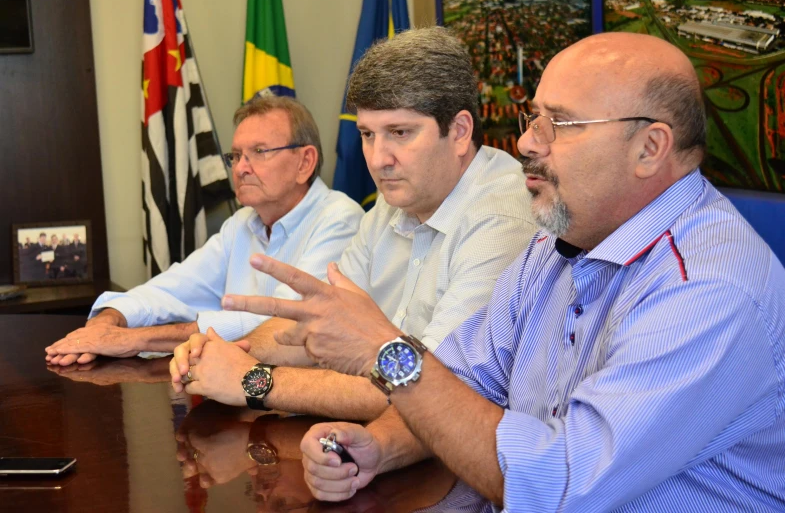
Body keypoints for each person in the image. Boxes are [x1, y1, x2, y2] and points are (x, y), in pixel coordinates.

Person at [217, 33, 785, 510]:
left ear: (649, 148)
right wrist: (375, 447)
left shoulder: (706, 288)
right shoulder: (558, 243)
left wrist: (384, 351)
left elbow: (557, 490)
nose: (525, 143)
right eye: (532, 118)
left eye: (559, 124)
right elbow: (461, 381)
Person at [169, 27, 538, 421]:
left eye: (399, 132)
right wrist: (229, 354)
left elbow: (426, 389)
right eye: (366, 134)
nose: (378, 159)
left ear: (460, 132)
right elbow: (316, 325)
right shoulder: (392, 203)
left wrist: (253, 381)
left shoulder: (501, 218)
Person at [45, 96, 364, 366]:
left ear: (305, 162)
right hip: (239, 393)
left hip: (310, 411)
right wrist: (107, 322)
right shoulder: (242, 223)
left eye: (259, 152)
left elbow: (279, 324)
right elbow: (172, 289)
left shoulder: (339, 220)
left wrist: (133, 340)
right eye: (236, 156)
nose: (240, 168)